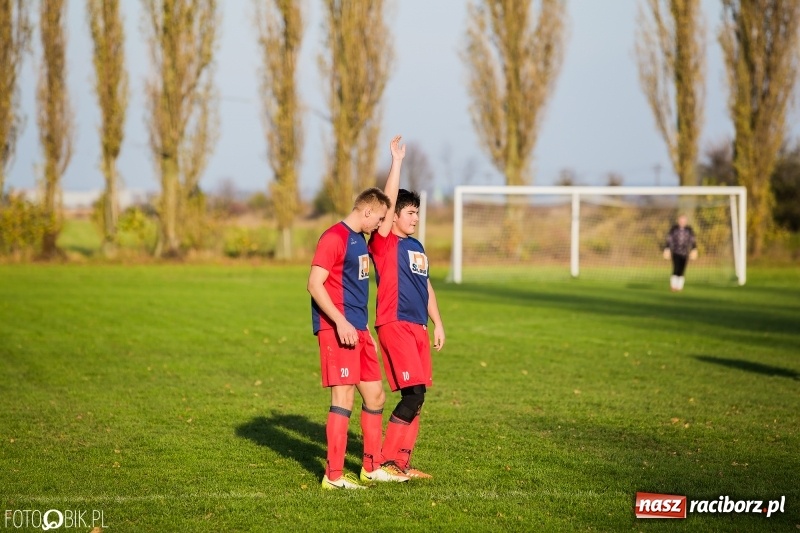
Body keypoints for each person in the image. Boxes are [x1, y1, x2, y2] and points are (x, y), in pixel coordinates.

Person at [307, 136, 410, 489]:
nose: (382, 223)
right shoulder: (334, 237)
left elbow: (387, 201)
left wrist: (395, 163)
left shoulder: (360, 238)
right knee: (344, 397)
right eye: (379, 218)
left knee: (376, 396)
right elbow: (314, 284)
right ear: (365, 212)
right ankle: (333, 476)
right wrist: (339, 322)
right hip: (338, 329)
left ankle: (371, 466)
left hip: (360, 330)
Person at [367, 185, 445, 480]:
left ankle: (401, 463)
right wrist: (397, 161)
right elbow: (386, 199)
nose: (415, 219)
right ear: (394, 215)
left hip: (418, 327)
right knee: (412, 395)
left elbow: (426, 287)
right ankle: (385, 463)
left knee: (418, 397)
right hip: (395, 323)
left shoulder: (418, 247)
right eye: (410, 213)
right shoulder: (384, 243)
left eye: (417, 213)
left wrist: (437, 322)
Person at [663, 214, 698, 292]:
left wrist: (694, 249)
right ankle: (673, 286)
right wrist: (667, 248)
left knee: (682, 269)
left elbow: (692, 240)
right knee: (676, 268)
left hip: (685, 252)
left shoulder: (689, 230)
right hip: (675, 252)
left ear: (686, 221)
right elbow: (669, 239)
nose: (682, 222)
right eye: (681, 220)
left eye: (684, 220)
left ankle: (679, 286)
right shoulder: (674, 229)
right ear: (678, 221)